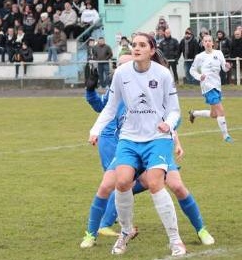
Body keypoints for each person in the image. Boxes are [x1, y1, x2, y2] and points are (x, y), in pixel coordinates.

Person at [80, 55, 215, 249]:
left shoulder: (155, 86)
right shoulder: (120, 91)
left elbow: (172, 116)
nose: (123, 68)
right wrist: (90, 91)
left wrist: (176, 141)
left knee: (177, 186)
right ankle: (91, 235)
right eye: (120, 64)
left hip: (155, 146)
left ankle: (201, 230)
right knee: (106, 186)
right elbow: (103, 108)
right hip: (130, 148)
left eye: (125, 64)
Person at [89, 33, 186, 257]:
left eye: (142, 45)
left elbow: (174, 110)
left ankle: (175, 240)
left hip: (157, 138)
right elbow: (110, 107)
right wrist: (95, 130)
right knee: (121, 182)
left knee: (154, 183)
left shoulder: (162, 74)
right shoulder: (121, 73)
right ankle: (125, 232)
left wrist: (168, 125)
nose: (137, 48)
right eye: (134, 45)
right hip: (130, 138)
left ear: (152, 50)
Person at [188, 34, 233, 143]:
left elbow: (224, 67)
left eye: (209, 41)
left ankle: (194, 113)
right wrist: (199, 76)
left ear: (213, 43)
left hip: (217, 85)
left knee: (214, 114)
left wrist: (227, 67)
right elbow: (192, 70)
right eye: (205, 41)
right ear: (203, 43)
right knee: (220, 110)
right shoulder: (200, 57)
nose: (207, 43)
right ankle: (226, 136)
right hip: (207, 86)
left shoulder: (219, 53)